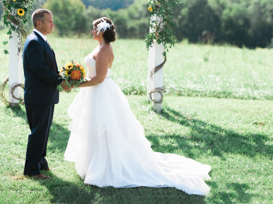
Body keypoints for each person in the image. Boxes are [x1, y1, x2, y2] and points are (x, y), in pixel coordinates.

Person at [63, 17, 211, 196]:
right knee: (95, 127)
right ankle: (93, 164)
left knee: (104, 129)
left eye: (94, 28)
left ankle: (104, 167)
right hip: (96, 93)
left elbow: (99, 78)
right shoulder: (101, 47)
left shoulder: (104, 50)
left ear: (102, 31)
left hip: (101, 91)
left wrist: (74, 84)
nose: (92, 31)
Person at [22, 9, 70, 180]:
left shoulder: (41, 40)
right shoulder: (34, 42)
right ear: (39, 23)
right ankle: (32, 170)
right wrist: (60, 81)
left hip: (45, 95)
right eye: (50, 21)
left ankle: (41, 162)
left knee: (43, 132)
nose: (53, 24)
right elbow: (40, 69)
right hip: (38, 96)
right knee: (37, 133)